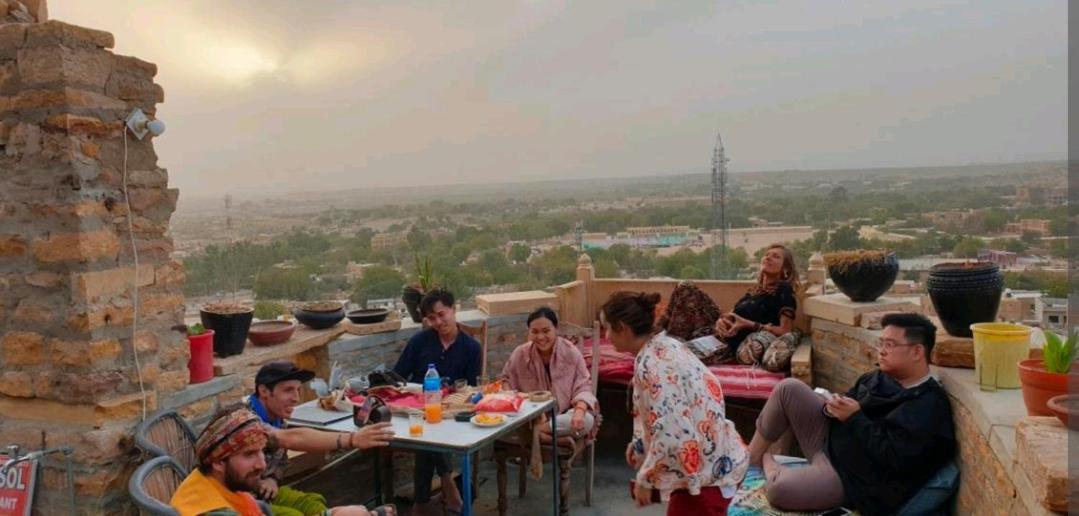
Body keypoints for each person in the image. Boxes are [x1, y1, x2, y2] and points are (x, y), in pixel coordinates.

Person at [745, 313, 956, 514]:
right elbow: (851, 398)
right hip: (829, 441)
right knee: (788, 388)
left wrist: (855, 418)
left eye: (889, 345)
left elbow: (894, 460)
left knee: (779, 489)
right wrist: (833, 405)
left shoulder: (927, 406)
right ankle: (752, 459)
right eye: (880, 343)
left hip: (851, 477)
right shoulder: (879, 377)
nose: (881, 350)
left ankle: (768, 461)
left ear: (917, 352)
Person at [603, 291, 748, 516]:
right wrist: (641, 445)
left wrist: (646, 478)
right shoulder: (666, 346)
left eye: (608, 328)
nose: (607, 335)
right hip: (718, 460)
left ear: (623, 328)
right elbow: (668, 413)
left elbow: (673, 432)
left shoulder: (654, 366)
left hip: (705, 481)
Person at [171, 406, 395, 516]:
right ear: (218, 461)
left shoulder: (213, 481)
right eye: (249, 455)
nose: (261, 464)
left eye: (261, 452)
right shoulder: (215, 512)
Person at [244, 360, 396, 516]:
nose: (296, 398)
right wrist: (351, 439)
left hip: (262, 493)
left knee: (313, 502)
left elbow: (280, 461)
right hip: (236, 499)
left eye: (297, 389)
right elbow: (290, 438)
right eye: (288, 390)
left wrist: (272, 479)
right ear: (263, 391)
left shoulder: (276, 416)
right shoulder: (244, 419)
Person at [393, 289, 481, 515]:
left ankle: (421, 503)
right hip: (418, 410)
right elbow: (398, 376)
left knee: (429, 436)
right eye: (432, 318)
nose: (439, 322)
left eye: (442, 314)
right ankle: (448, 482)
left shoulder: (470, 348)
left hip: (453, 413)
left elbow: (471, 389)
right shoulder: (420, 342)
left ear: (454, 309)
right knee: (427, 429)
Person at [501, 307, 598, 444]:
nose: (540, 337)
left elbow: (583, 386)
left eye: (546, 331)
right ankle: (552, 438)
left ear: (556, 328)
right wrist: (513, 396)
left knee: (587, 421)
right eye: (535, 332)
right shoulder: (521, 353)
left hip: (564, 415)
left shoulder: (570, 352)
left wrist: (579, 411)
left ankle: (540, 433)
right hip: (532, 415)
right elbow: (506, 379)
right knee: (512, 421)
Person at [711, 244, 801, 372]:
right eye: (767, 255)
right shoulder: (755, 291)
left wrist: (750, 325)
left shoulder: (783, 290)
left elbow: (785, 331)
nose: (768, 258)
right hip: (721, 335)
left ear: (785, 269)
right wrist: (721, 322)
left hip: (738, 344)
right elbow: (731, 316)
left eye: (775, 257)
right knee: (685, 289)